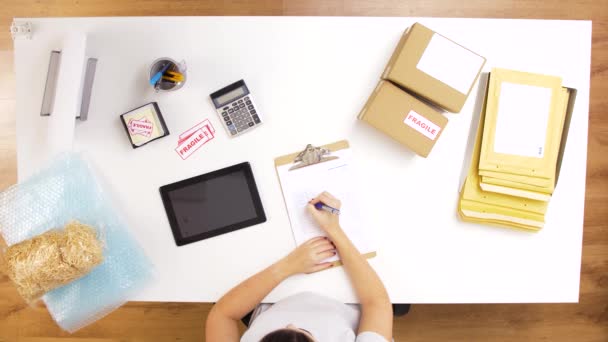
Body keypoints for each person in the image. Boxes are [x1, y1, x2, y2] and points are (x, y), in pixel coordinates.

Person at [206, 191, 393, 342]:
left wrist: (288, 266)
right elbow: (376, 303)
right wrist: (334, 230)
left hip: (275, 296)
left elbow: (222, 314)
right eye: (303, 331)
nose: (290, 324)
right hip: (348, 300)